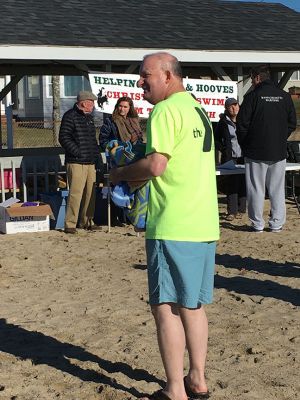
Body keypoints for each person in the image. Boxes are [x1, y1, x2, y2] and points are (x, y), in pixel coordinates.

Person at [109, 52, 219, 400]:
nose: (140, 82)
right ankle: (197, 379)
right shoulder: (197, 109)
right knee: (194, 305)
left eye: (145, 75)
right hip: (203, 222)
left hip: (173, 222)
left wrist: (121, 173)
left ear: (168, 76)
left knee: (166, 307)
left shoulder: (165, 110)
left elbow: (156, 166)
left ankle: (175, 390)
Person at [236, 65, 297, 233]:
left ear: (257, 78)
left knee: (256, 188)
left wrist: (246, 144)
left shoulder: (252, 96)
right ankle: (276, 223)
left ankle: (257, 224)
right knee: (277, 189)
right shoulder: (284, 97)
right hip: (278, 150)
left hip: (255, 151)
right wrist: (279, 138)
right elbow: (292, 122)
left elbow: (241, 125)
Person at [59, 90, 101, 234]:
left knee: (91, 193)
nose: (93, 106)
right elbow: (64, 137)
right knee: (75, 193)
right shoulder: (70, 116)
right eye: (92, 103)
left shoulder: (89, 118)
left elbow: (92, 141)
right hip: (76, 162)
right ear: (84, 103)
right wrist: (78, 152)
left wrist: (97, 158)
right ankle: (70, 223)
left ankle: (87, 221)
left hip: (90, 162)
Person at [215, 98, 246, 221]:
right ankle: (232, 212)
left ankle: (242, 209)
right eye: (231, 106)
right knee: (231, 184)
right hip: (230, 157)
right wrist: (223, 149)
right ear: (226, 108)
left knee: (243, 183)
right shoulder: (223, 122)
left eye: (236, 105)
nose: (234, 108)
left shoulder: (244, 120)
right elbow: (216, 139)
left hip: (243, 156)